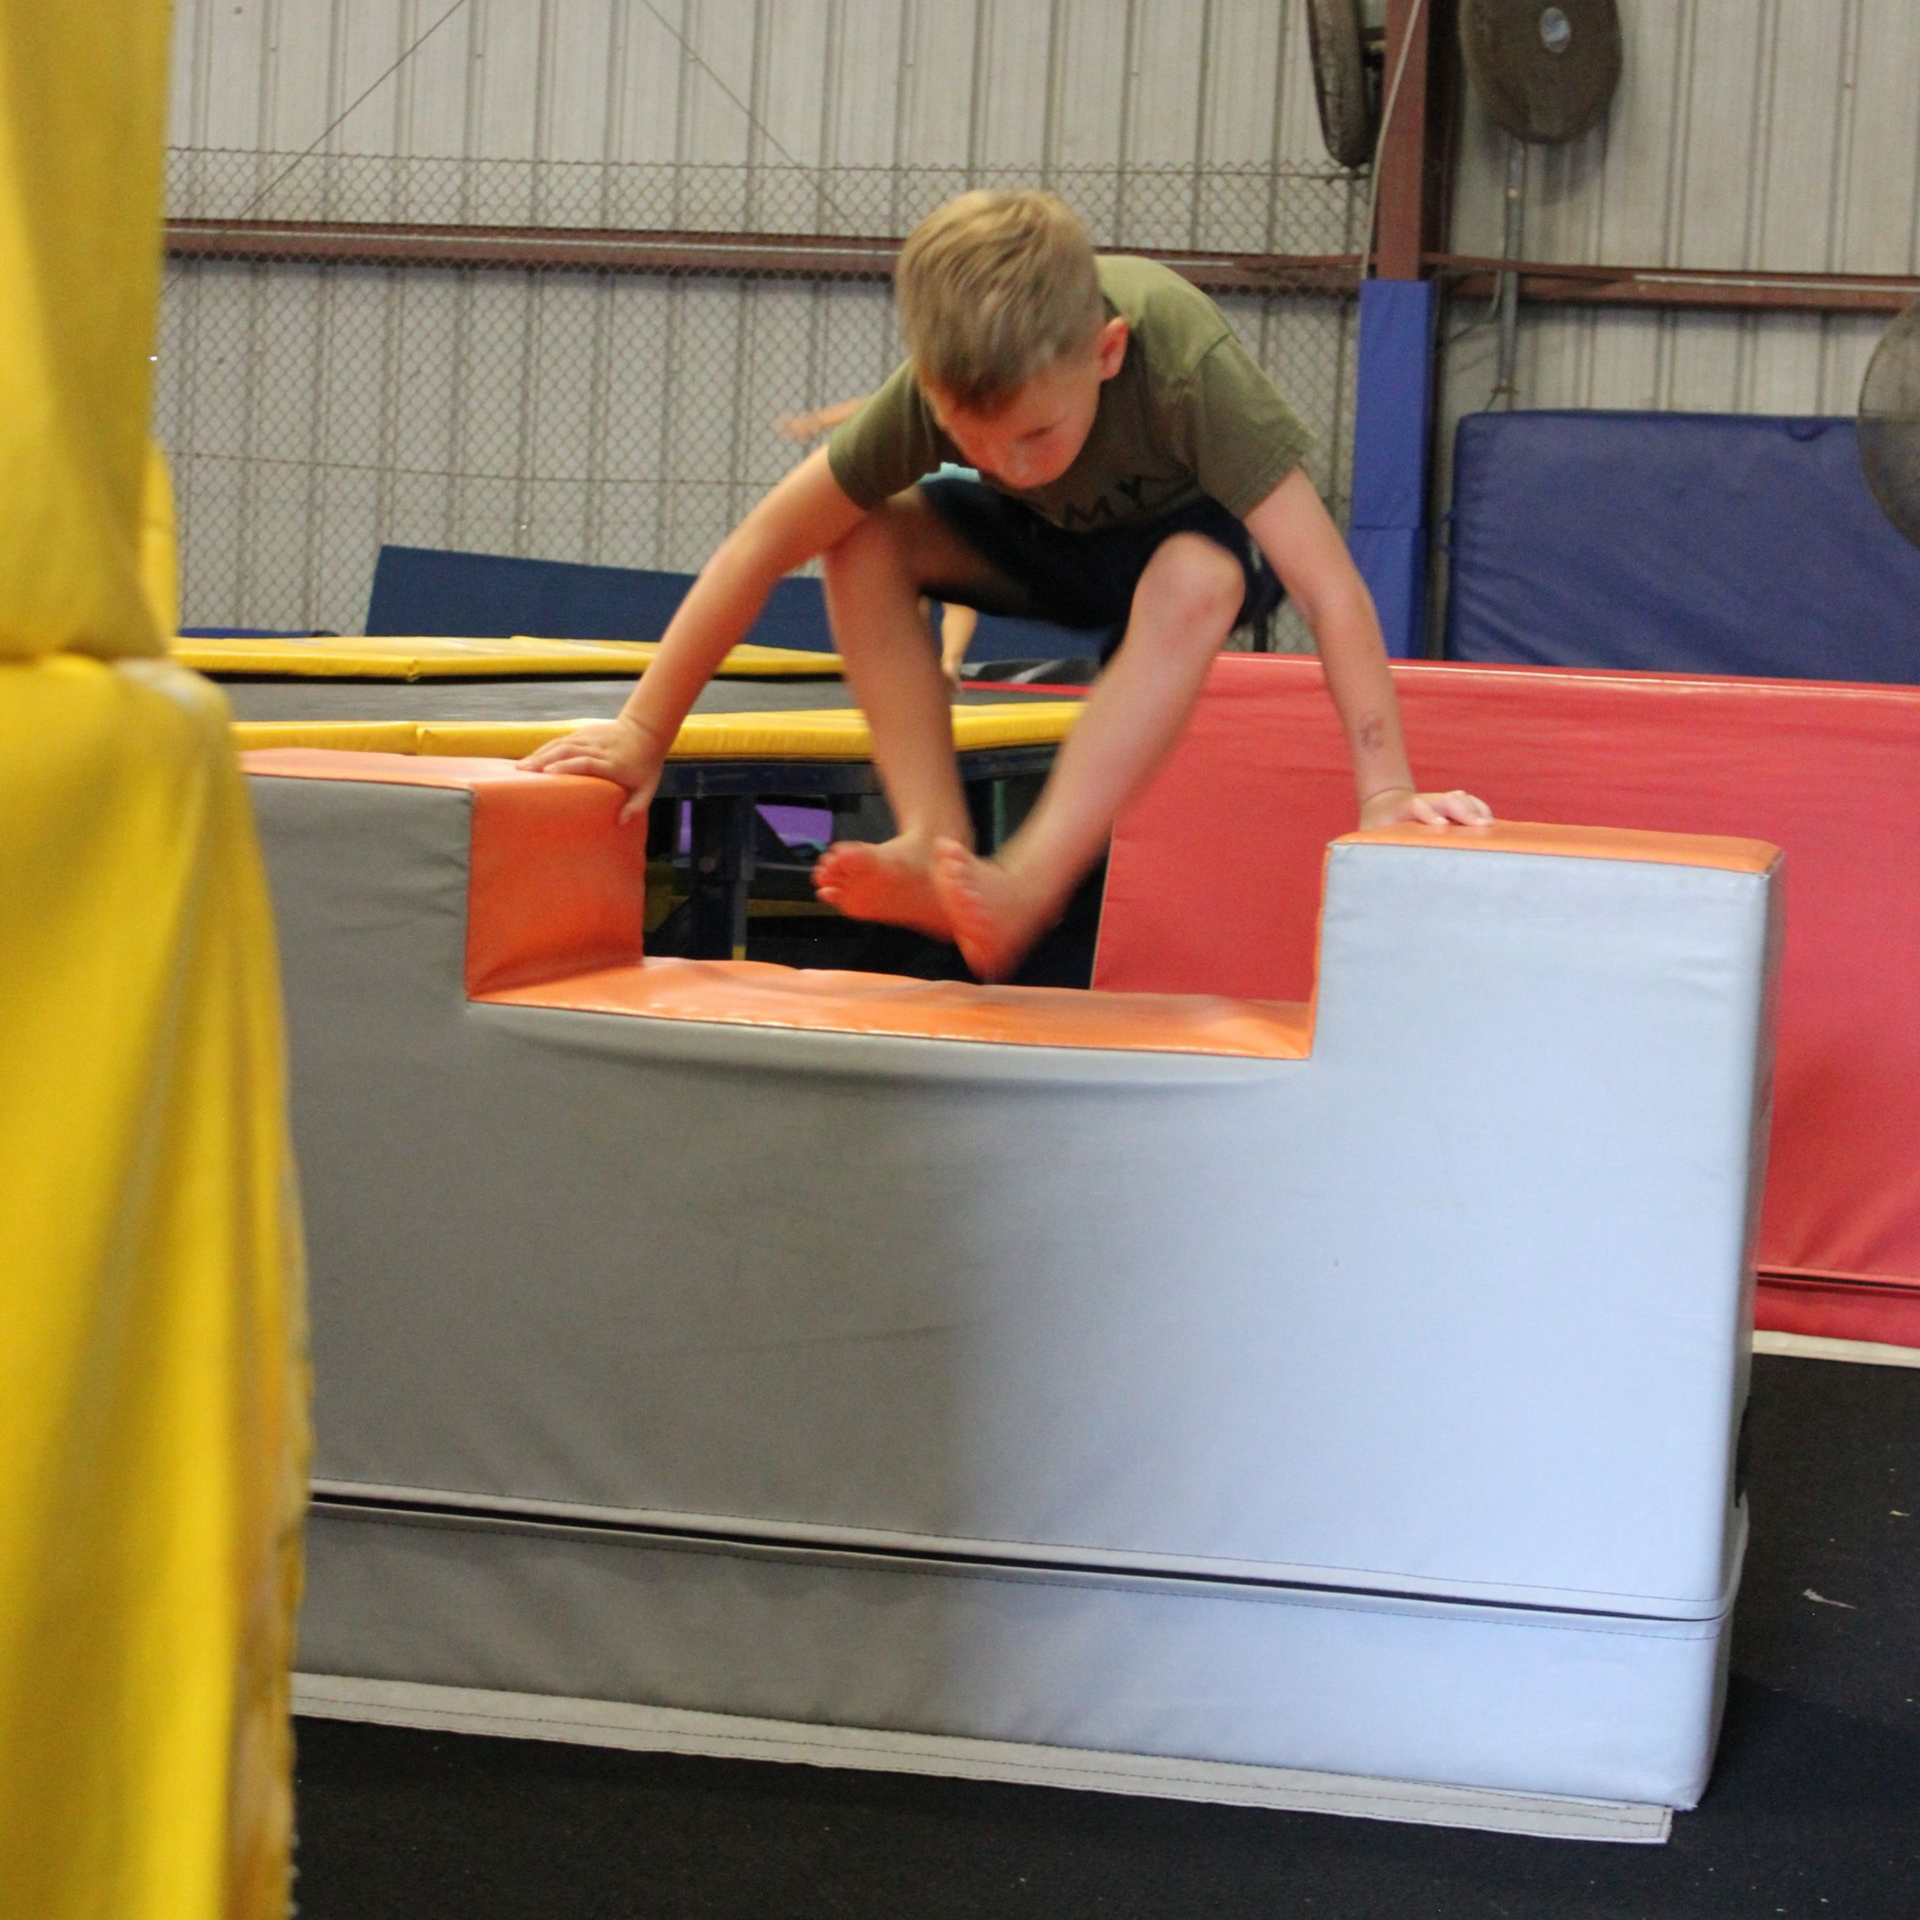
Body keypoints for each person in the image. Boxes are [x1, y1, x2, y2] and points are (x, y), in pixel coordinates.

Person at [521, 189, 1489, 978]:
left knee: (1197, 578)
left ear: (1105, 355)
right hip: (1040, 554)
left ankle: (1030, 880)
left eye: (1037, 435)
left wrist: (1386, 788)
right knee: (857, 540)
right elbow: (760, 545)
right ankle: (931, 842)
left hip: (1181, 552)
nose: (1014, 463)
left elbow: (1330, 589)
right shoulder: (941, 399)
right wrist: (644, 730)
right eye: (974, 443)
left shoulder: (1184, 365)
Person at [776, 397, 979, 690]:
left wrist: (815, 421)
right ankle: (949, 662)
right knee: (953, 590)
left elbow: (867, 405)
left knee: (919, 586)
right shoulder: (978, 393)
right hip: (957, 488)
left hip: (926, 488)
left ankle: (926, 665)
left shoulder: (924, 393)